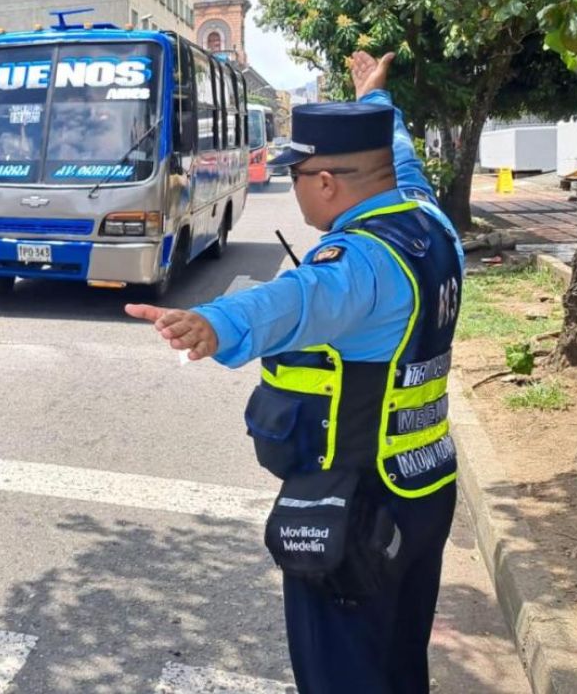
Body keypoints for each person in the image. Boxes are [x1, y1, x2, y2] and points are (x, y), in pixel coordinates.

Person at [126, 50, 464, 694]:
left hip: (359, 505)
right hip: (424, 488)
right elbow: (401, 160)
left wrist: (215, 322)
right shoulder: (428, 222)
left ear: (327, 182)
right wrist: (375, 102)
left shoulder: (361, 263)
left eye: (297, 174)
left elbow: (297, 298)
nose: (294, 186)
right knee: (399, 661)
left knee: (342, 675)